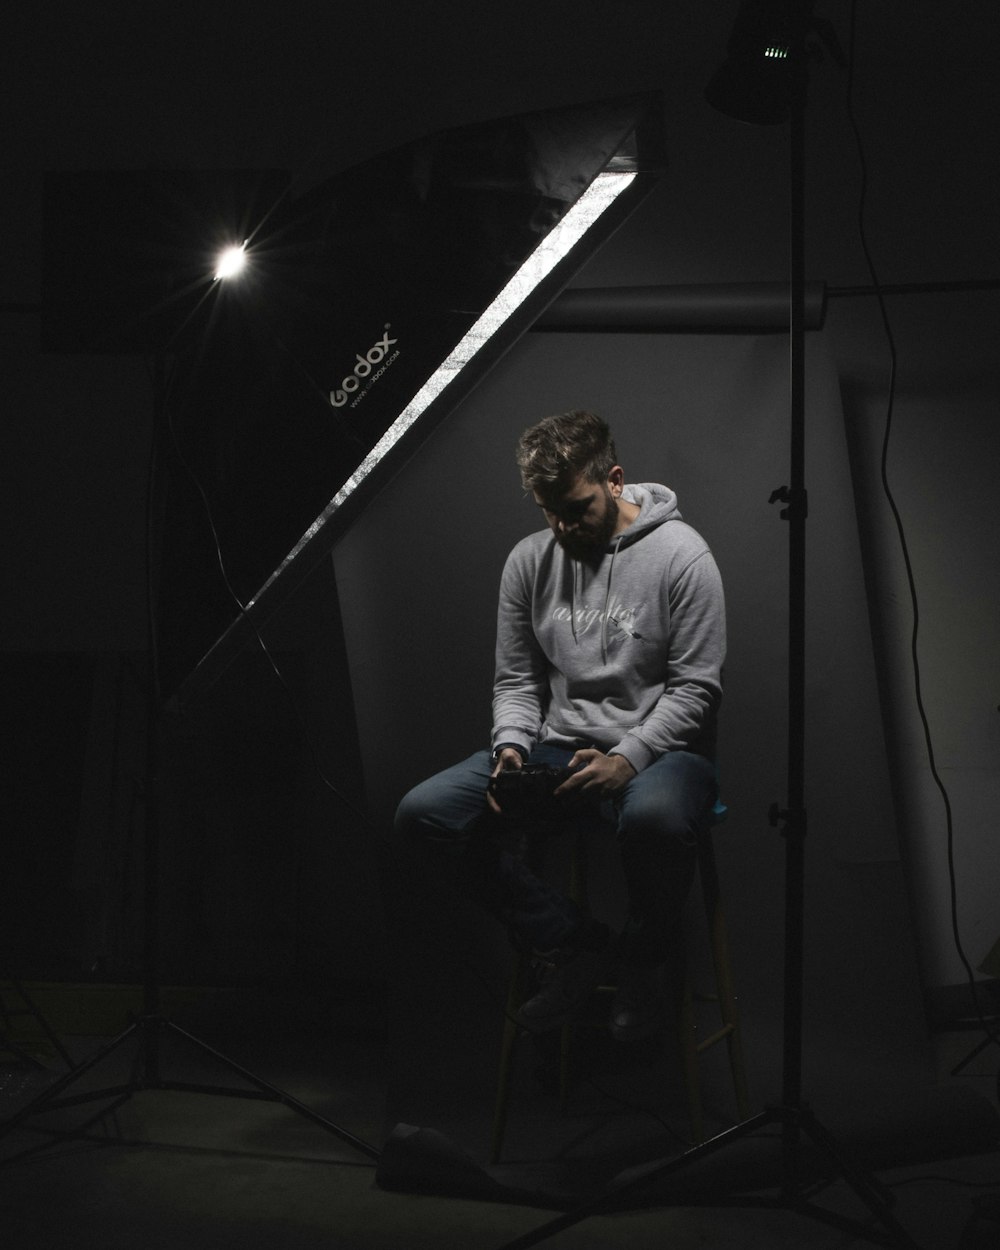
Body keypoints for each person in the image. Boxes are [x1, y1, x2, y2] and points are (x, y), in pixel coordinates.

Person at [393, 409, 725, 1040]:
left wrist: (629, 756)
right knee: (423, 814)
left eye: (576, 508)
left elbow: (694, 690)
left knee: (655, 818)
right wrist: (512, 750)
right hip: (559, 748)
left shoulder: (684, 557)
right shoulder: (528, 562)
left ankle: (644, 964)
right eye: (549, 511)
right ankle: (574, 946)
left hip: (664, 750)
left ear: (616, 480)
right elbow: (517, 681)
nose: (563, 526)